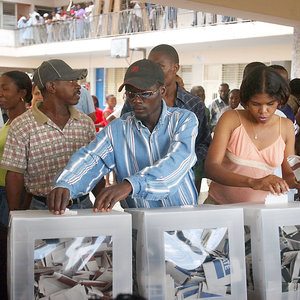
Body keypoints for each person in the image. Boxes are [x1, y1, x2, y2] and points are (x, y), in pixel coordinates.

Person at [47, 59, 199, 215]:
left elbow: (177, 162)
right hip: (139, 229)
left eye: (145, 94)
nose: (137, 100)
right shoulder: (117, 129)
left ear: (162, 91)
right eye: (131, 95)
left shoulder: (184, 120)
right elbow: (92, 158)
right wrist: (66, 184)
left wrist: (131, 184)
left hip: (182, 226)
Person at [0, 59, 99, 211]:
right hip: (42, 208)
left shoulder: (85, 123)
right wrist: (15, 217)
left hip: (82, 206)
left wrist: (102, 205)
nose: (77, 86)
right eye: (71, 81)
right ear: (51, 86)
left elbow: (95, 167)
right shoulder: (22, 126)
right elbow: (15, 176)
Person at [121, 44, 211, 192]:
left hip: (182, 183)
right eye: (150, 66)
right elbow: (124, 137)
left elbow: (204, 143)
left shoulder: (194, 105)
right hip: (142, 183)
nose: (152, 72)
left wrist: (184, 162)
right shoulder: (135, 101)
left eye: (159, 67)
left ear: (175, 68)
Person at [204, 66, 297, 205]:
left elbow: (289, 176)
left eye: (270, 104)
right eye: (256, 104)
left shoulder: (286, 126)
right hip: (220, 207)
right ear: (246, 101)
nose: (263, 111)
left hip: (261, 213)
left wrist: (296, 180)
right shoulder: (231, 119)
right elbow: (211, 168)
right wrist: (253, 182)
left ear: (279, 101)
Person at [0, 71, 32, 300]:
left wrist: (19, 204)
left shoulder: (24, 125)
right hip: (2, 191)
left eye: (4, 88)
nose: (0, 94)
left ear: (22, 94)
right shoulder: (8, 120)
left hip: (11, 194)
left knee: (8, 253)